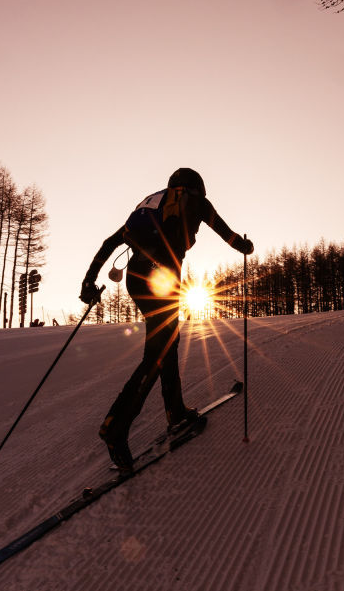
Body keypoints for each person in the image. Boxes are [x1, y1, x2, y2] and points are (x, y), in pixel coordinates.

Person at [80, 167, 253, 472]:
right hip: (162, 279)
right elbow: (228, 235)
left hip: (136, 278)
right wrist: (245, 246)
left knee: (167, 343)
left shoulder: (152, 204)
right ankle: (115, 427)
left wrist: (88, 283)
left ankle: (175, 410)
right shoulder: (197, 201)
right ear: (197, 187)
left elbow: (110, 243)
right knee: (158, 353)